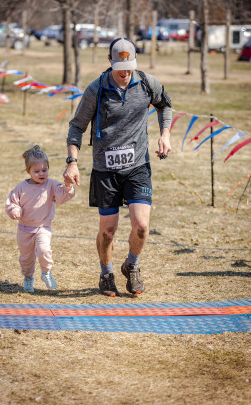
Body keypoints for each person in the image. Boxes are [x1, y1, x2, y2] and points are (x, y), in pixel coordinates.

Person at [64, 37, 172, 297]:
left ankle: (131, 266)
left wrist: (165, 134)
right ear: (110, 62)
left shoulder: (146, 83)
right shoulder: (96, 89)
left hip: (137, 166)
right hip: (105, 170)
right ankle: (106, 272)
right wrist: (72, 162)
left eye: (130, 66)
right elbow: (77, 126)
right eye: (120, 66)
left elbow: (164, 104)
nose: (126, 72)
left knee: (142, 226)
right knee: (108, 230)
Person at [5, 145, 75, 293]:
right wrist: (15, 210)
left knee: (44, 250)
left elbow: (62, 195)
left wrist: (68, 184)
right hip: (24, 229)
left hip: (43, 227)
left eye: (45, 170)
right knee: (26, 258)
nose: (41, 174)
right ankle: (28, 277)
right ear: (28, 171)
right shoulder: (21, 188)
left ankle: (46, 272)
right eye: (36, 171)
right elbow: (12, 202)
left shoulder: (51, 185)